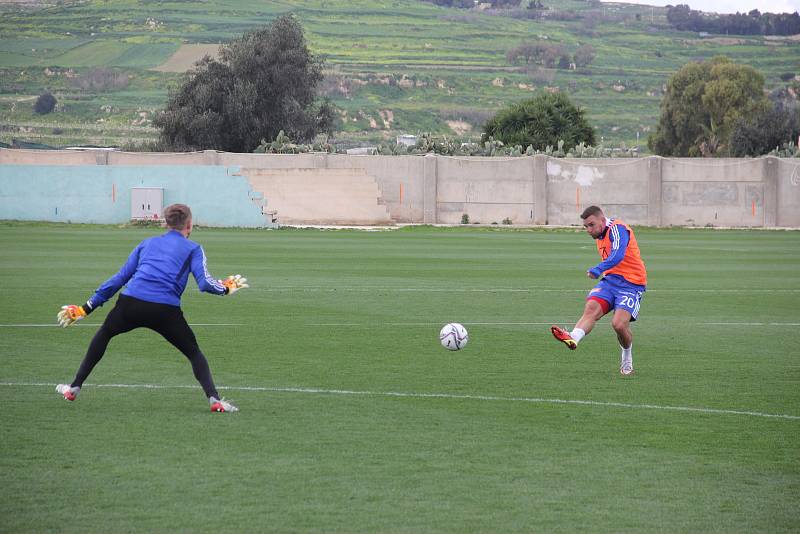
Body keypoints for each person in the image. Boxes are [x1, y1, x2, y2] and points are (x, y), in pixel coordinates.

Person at [55, 203, 249, 412]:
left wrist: (86, 308)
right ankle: (214, 399)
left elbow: (120, 278)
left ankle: (74, 388)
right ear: (190, 224)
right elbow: (204, 283)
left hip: (131, 303)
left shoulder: (147, 243)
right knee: (194, 353)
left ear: (166, 224)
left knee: (104, 334)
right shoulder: (194, 248)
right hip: (165, 310)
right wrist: (224, 289)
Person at [550, 205, 647, 375]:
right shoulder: (599, 234)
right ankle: (573, 337)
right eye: (585, 226)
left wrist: (598, 268)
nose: (588, 229)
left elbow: (618, 254)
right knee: (591, 308)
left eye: (591, 225)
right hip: (610, 281)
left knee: (618, 324)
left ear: (602, 220)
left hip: (632, 283)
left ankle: (626, 356)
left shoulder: (618, 229)